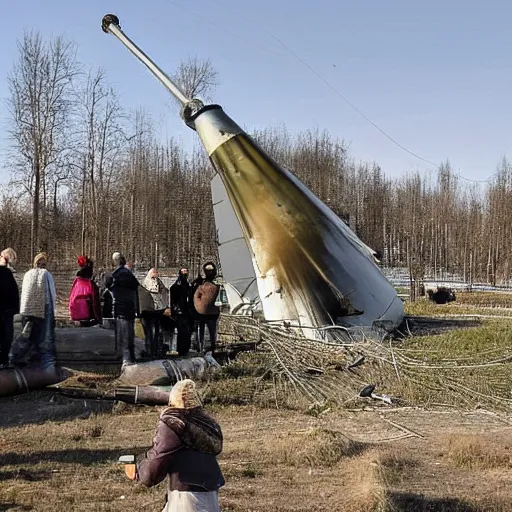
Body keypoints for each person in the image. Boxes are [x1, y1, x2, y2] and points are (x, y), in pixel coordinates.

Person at [123, 379, 225, 512]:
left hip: (186, 496)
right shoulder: (207, 423)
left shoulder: (174, 423)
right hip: (211, 493)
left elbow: (158, 459)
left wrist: (140, 470)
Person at [10, 252, 57, 369]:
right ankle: (36, 359)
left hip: (27, 310)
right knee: (42, 336)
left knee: (26, 334)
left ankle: (18, 356)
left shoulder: (28, 274)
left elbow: (24, 292)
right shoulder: (46, 274)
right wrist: (52, 310)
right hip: (43, 308)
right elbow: (52, 293)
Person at [105, 252, 140, 369]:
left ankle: (126, 359)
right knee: (129, 335)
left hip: (121, 308)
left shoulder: (115, 276)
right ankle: (130, 356)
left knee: (123, 335)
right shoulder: (130, 276)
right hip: (130, 308)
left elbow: (108, 285)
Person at [140, 268, 169, 357]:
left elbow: (164, 293)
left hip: (158, 311)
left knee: (158, 331)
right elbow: (149, 292)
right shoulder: (145, 282)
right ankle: (150, 349)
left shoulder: (159, 282)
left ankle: (157, 349)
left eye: (157, 272)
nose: (156, 274)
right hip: (148, 311)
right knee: (149, 332)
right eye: (154, 272)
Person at [193, 262, 220, 354]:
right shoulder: (201, 282)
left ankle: (204, 347)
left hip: (205, 311)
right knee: (207, 331)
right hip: (207, 311)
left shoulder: (201, 283)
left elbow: (196, 295)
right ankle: (205, 347)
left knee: (207, 331)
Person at [0, 250, 20, 369]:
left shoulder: (7, 272)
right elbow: (14, 293)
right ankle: (4, 360)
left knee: (5, 337)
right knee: (6, 336)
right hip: (6, 311)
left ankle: (4, 360)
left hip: (5, 310)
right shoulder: (7, 273)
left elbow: (13, 292)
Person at [68, 255, 101, 326]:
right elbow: (95, 302)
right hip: (86, 313)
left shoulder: (77, 282)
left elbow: (71, 297)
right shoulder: (90, 284)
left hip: (75, 311)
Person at [170, 267, 193, 357]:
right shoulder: (176, 286)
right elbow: (173, 300)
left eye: (186, 272)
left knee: (188, 331)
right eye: (183, 272)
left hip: (188, 312)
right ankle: (181, 350)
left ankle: (186, 349)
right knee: (181, 331)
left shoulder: (188, 285)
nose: (184, 274)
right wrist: (175, 310)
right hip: (180, 312)